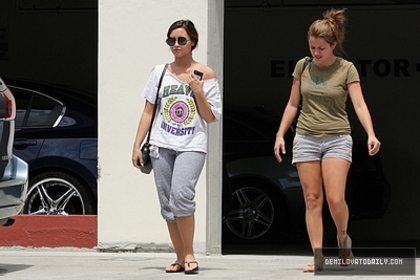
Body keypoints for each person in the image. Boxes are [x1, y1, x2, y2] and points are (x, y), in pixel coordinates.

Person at [274, 8, 381, 273]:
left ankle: (343, 236)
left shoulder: (346, 69)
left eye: (321, 48)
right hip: (306, 137)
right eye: (312, 47)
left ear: (333, 45)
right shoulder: (303, 66)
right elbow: (292, 103)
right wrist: (279, 134)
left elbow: (358, 104)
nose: (316, 53)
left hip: (337, 138)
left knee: (335, 198)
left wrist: (370, 132)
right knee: (312, 198)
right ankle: (318, 256)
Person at [131, 19, 221, 274]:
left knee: (181, 195)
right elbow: (148, 111)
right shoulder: (159, 72)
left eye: (181, 40)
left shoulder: (206, 73)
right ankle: (180, 257)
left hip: (192, 144)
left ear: (193, 41)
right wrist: (136, 145)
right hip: (161, 144)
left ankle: (191, 253)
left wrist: (198, 91)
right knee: (168, 204)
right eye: (172, 40)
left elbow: (210, 117)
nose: (176, 45)